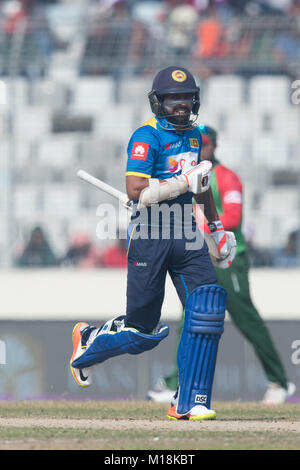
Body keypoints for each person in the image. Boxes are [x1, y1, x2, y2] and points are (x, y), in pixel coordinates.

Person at [69, 66, 236, 420]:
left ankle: (190, 400)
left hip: (187, 234)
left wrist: (217, 228)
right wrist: (181, 181)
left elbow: (200, 184)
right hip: (150, 235)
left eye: (186, 98)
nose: (180, 105)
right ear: (159, 102)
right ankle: (89, 341)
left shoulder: (193, 135)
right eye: (173, 99)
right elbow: (135, 191)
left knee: (206, 309)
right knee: (141, 332)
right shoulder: (146, 137)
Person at [147, 124, 296, 405]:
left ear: (212, 147)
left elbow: (233, 217)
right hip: (198, 257)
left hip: (229, 258)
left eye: (202, 144)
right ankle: (176, 382)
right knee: (189, 318)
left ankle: (279, 381)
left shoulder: (226, 177)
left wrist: (197, 222)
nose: (196, 149)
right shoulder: (181, 177)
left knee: (246, 320)